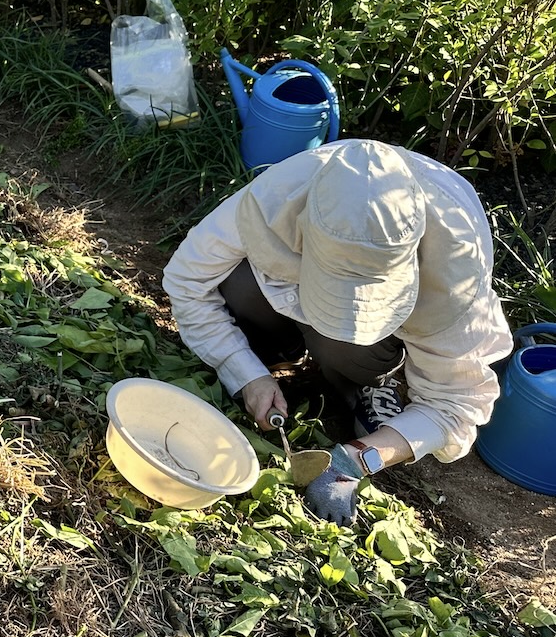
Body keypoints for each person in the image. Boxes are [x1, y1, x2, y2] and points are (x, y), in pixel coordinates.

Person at [163, 139, 513, 524]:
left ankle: (371, 380)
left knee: (345, 347)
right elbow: (187, 280)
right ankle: (284, 350)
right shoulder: (280, 195)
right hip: (286, 287)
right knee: (237, 282)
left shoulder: (457, 268)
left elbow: (457, 406)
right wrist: (247, 374)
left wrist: (358, 459)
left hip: (373, 348)